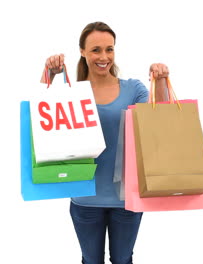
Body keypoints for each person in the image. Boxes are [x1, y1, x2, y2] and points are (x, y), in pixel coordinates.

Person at [40, 21, 170, 264]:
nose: (104, 56)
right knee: (91, 261)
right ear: (82, 52)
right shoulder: (72, 92)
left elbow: (159, 119)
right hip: (85, 197)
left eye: (109, 49)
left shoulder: (133, 89)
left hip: (127, 198)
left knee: (123, 260)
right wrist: (50, 72)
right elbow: (42, 111)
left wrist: (160, 80)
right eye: (96, 50)